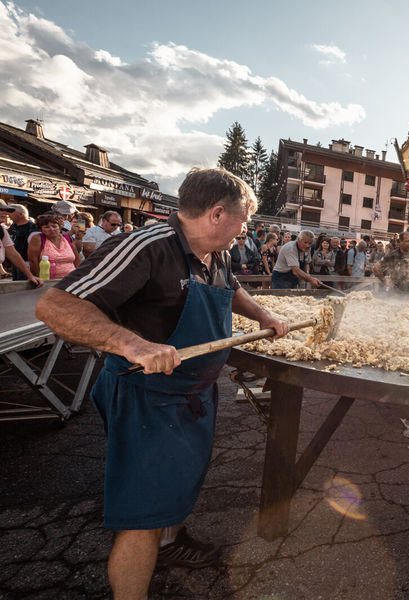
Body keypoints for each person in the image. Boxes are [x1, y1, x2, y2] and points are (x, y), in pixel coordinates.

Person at [34, 168, 289, 599]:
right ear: (217, 213)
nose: (246, 229)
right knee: (143, 516)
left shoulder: (218, 252)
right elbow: (55, 304)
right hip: (145, 398)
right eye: (244, 220)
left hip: (191, 396)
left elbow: (232, 288)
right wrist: (131, 344)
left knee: (178, 482)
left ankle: (170, 542)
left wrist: (263, 316)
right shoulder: (146, 246)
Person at [27, 213, 81, 279]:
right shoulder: (38, 238)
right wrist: (38, 277)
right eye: (47, 227)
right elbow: (33, 261)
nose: (51, 229)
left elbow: (77, 260)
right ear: (41, 230)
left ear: (60, 227)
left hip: (70, 279)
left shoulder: (67, 238)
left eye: (54, 226)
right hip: (48, 280)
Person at [0, 202, 42, 286]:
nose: (5, 213)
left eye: (6, 210)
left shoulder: (1, 230)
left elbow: (12, 253)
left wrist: (30, 276)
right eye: (1, 210)